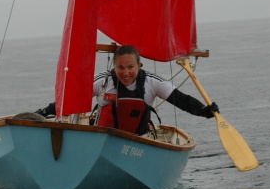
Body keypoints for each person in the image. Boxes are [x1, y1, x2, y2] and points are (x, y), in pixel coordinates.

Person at [36, 44, 219, 135]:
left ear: (139, 65)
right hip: (103, 140)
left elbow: (181, 100)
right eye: (120, 68)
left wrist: (204, 111)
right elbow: (70, 100)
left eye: (130, 67)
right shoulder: (103, 81)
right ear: (114, 67)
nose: (125, 73)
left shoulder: (151, 82)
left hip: (137, 142)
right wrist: (43, 113)